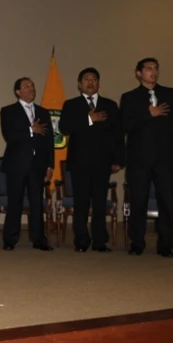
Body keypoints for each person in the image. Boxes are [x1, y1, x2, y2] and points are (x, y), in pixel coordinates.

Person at [120, 58, 173, 258]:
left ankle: (165, 245)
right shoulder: (130, 98)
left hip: (166, 159)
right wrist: (148, 114)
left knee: (166, 201)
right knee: (138, 201)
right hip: (139, 159)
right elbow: (125, 126)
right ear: (138, 73)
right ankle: (137, 243)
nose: (153, 72)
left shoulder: (172, 94)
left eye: (155, 68)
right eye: (148, 69)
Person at [59, 67, 124, 253]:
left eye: (94, 79)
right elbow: (64, 128)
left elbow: (117, 135)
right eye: (86, 79)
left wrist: (118, 159)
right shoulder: (71, 105)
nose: (90, 82)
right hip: (79, 162)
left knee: (99, 202)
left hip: (103, 162)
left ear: (98, 83)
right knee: (81, 203)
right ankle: (81, 240)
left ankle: (99, 241)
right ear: (80, 85)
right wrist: (88, 119)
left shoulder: (110, 105)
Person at [0, 77, 55, 251]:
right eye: (26, 86)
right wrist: (31, 130)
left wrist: (49, 165)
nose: (31, 88)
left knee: (37, 202)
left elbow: (49, 141)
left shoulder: (43, 112)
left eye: (32, 85)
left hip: (38, 165)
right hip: (17, 164)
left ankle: (39, 239)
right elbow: (10, 135)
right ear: (18, 92)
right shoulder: (8, 111)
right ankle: (10, 239)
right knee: (15, 202)